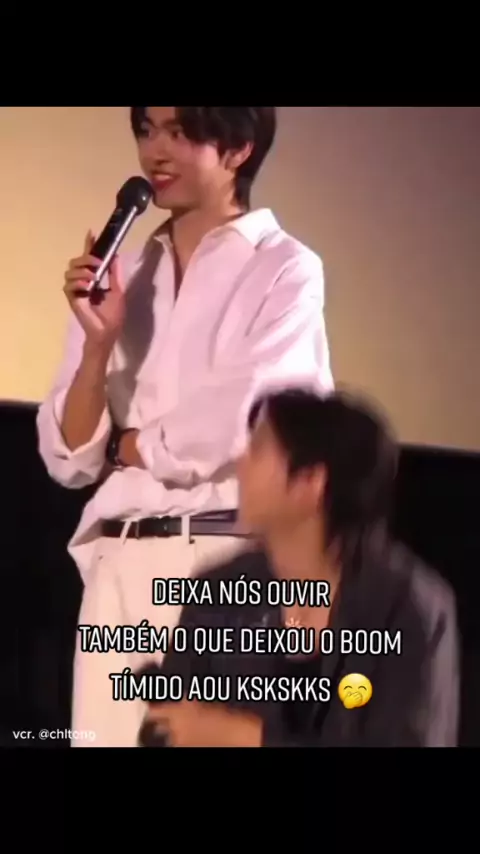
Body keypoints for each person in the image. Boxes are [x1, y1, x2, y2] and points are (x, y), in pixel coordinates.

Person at [36, 107, 334, 747]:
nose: (155, 152)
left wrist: (126, 447)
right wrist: (98, 345)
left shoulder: (284, 268)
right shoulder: (123, 273)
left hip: (221, 560)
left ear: (238, 149)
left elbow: (245, 419)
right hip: (117, 560)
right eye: (146, 131)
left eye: (179, 132)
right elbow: (69, 456)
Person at [139, 389, 459, 747]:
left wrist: (247, 738)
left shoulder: (408, 607)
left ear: (310, 482)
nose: (240, 464)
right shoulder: (218, 591)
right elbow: (174, 727)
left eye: (259, 450)